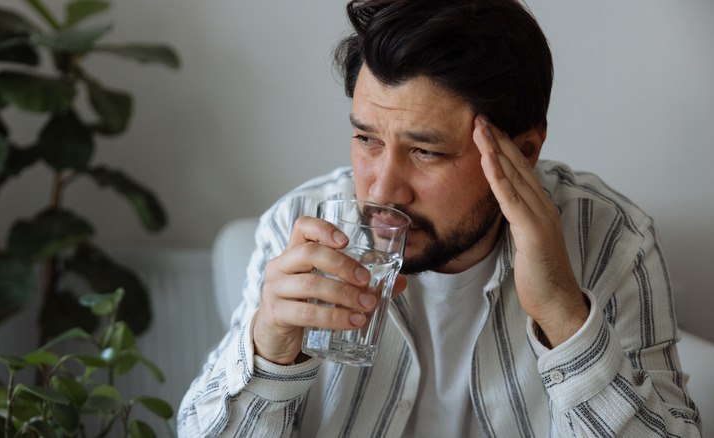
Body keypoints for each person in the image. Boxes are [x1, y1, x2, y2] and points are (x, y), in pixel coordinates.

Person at [178, 0, 701, 436]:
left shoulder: (612, 242)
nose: (382, 190)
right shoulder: (299, 225)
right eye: (367, 139)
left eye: (426, 152)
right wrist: (268, 352)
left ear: (523, 150)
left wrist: (564, 314)